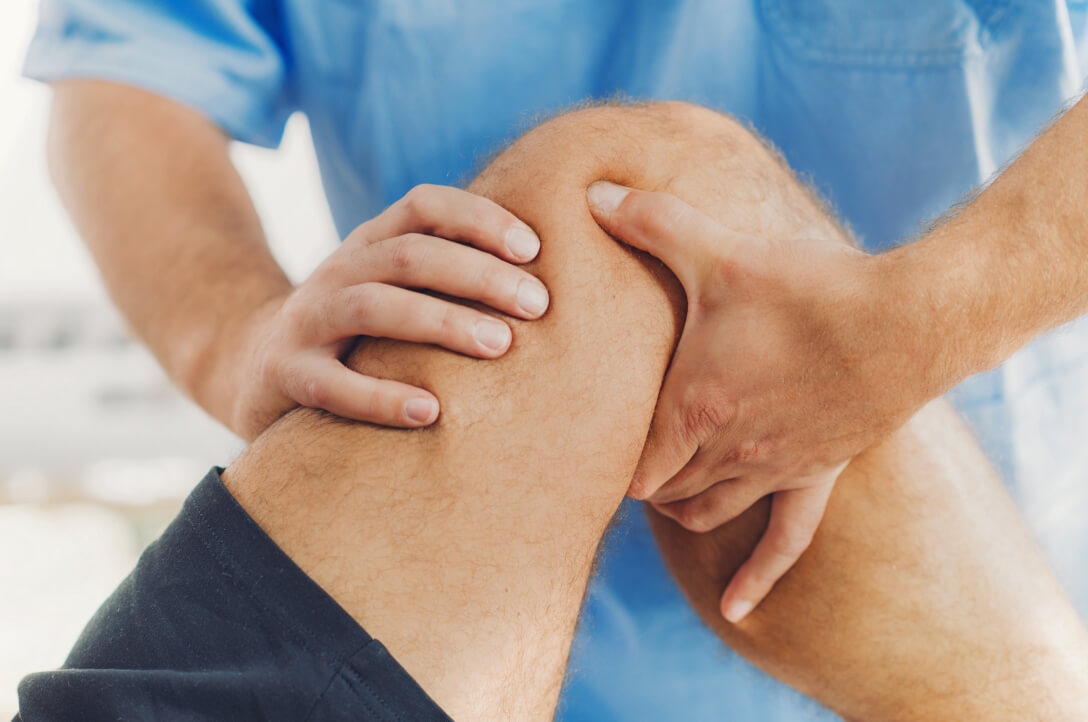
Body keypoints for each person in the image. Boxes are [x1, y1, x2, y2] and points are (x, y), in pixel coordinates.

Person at [23, 1, 1088, 718]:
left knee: (636, 185)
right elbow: (128, 69)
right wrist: (236, 333)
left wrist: (916, 321)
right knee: (633, 187)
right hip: (458, 624)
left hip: (985, 560)